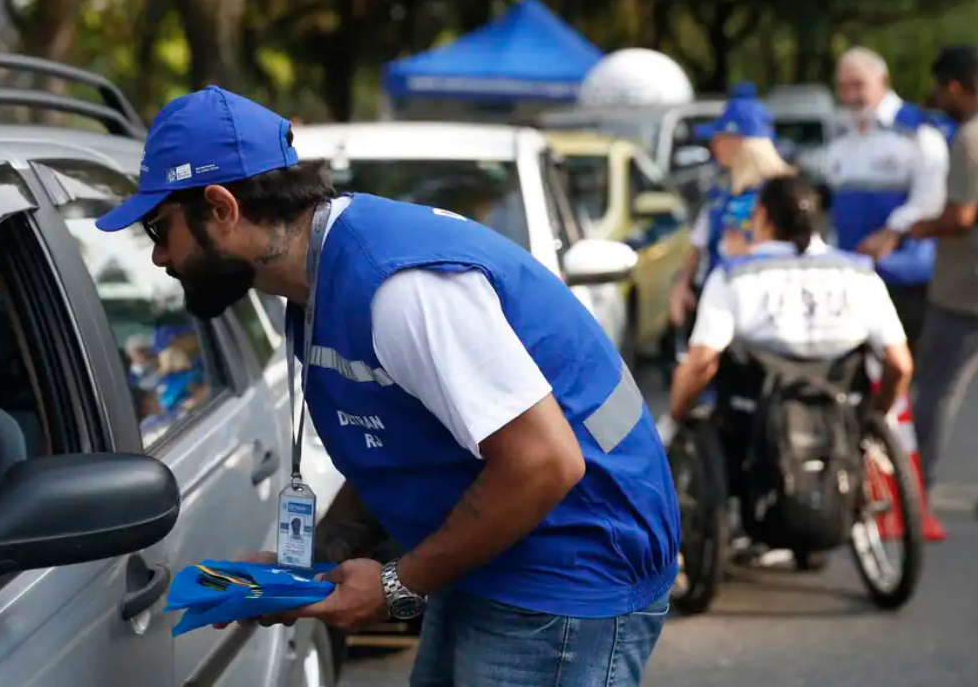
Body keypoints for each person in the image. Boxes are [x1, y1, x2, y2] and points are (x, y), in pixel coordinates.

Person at [95, 87, 680, 687]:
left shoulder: (398, 288)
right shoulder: (316, 281)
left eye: (157, 227)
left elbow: (545, 464)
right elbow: (405, 447)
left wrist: (397, 584)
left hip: (570, 567)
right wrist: (313, 562)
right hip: (497, 546)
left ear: (220, 207)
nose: (160, 255)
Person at [670, 175, 913, 425]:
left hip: (755, 427)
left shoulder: (733, 276)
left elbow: (702, 364)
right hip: (842, 422)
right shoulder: (861, 275)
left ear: (762, 216)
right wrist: (875, 416)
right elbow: (900, 364)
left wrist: (676, 415)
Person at [825, 47, 949, 347]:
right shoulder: (840, 134)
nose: (850, 95)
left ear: (882, 80)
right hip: (853, 275)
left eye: (858, 85)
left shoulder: (916, 131)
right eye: (843, 87)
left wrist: (890, 234)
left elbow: (931, 198)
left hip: (904, 276)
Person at [904, 45, 978, 513]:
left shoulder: (969, 138)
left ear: (954, 86)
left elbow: (962, 216)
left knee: (935, 390)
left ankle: (915, 493)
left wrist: (921, 227)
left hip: (964, 290)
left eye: (938, 87)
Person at [669, 82, 794, 331]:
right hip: (722, 306)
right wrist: (681, 284)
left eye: (719, 137)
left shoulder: (785, 192)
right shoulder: (720, 193)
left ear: (740, 141)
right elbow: (698, 244)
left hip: (771, 313)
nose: (713, 145)